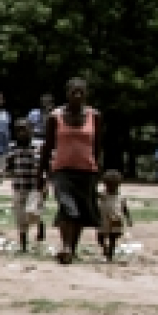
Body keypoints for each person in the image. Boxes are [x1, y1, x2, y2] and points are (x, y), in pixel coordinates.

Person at [45, 79, 103, 265]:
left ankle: (71, 248)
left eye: (81, 92)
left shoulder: (95, 116)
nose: (77, 96)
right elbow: (48, 146)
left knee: (81, 211)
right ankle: (67, 246)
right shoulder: (55, 116)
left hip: (87, 170)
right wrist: (42, 172)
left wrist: (98, 170)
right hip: (62, 169)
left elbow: (98, 145)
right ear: (67, 93)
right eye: (73, 92)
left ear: (86, 94)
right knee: (68, 207)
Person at [5, 118, 44, 252]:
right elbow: (8, 165)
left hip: (34, 187)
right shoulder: (12, 147)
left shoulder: (38, 146)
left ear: (31, 130)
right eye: (19, 130)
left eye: (24, 129)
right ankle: (23, 246)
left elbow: (44, 165)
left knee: (32, 213)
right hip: (18, 186)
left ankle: (40, 225)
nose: (22, 133)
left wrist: (45, 184)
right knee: (20, 218)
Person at [97, 171, 130, 261]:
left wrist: (128, 219)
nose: (110, 187)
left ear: (118, 185)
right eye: (108, 185)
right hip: (103, 219)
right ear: (105, 184)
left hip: (116, 220)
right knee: (100, 237)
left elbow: (125, 208)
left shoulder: (121, 196)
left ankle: (110, 255)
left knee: (113, 238)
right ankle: (105, 248)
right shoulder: (102, 195)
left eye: (113, 185)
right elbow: (92, 195)